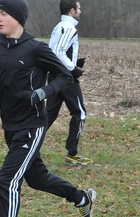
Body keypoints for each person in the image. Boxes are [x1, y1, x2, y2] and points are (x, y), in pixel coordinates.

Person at [0, 0, 96, 217]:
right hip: (10, 125)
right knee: (37, 178)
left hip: (32, 125)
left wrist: (42, 92)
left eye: (3, 13)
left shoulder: (36, 49)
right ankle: (81, 198)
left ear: (18, 17)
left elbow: (64, 75)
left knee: (8, 180)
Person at [47, 0, 92, 166]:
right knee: (80, 113)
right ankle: (72, 154)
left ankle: (26, 148)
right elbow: (58, 52)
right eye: (79, 8)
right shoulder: (70, 28)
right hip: (66, 78)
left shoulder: (58, 27)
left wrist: (75, 61)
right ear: (72, 11)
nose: (81, 10)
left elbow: (53, 50)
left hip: (54, 76)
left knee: (48, 116)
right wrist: (73, 69)